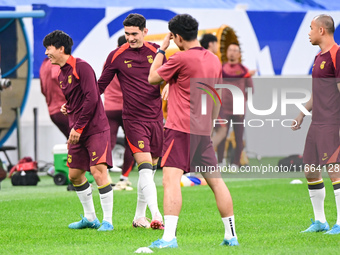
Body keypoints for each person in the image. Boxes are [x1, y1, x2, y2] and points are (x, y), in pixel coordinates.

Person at [147, 14, 239, 248]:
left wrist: (160, 50)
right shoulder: (214, 60)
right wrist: (209, 125)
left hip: (179, 129)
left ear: (177, 37)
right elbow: (216, 97)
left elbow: (152, 78)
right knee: (217, 182)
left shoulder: (179, 58)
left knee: (170, 181)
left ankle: (168, 238)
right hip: (202, 130)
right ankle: (231, 236)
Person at [98, 13, 164, 229]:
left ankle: (138, 217)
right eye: (127, 34)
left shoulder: (157, 52)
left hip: (156, 120)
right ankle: (156, 215)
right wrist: (75, 104)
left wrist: (170, 85)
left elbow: (173, 76)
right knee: (145, 169)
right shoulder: (116, 56)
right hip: (134, 120)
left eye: (134, 34)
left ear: (145, 31)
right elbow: (98, 87)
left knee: (150, 172)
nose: (130, 38)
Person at [43, 30, 114, 231]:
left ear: (60, 48)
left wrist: (79, 126)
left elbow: (92, 98)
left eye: (48, 48)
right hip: (77, 129)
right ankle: (91, 218)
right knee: (74, 175)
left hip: (95, 129)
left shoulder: (81, 67)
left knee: (98, 172)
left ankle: (108, 221)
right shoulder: (61, 73)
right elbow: (79, 98)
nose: (46, 53)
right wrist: (69, 106)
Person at [292, 14, 340, 234]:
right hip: (316, 124)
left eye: (311, 28)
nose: (308, 33)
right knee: (310, 170)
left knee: (335, 171)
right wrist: (302, 114)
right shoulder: (318, 57)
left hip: (332, 124)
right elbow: (317, 93)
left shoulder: (337, 54)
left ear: (322, 30)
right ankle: (320, 222)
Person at [211, 43, 254, 169]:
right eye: (230, 50)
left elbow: (251, 89)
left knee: (238, 136)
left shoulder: (244, 71)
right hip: (223, 108)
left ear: (239, 54)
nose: (232, 53)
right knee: (221, 134)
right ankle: (220, 162)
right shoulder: (221, 69)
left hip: (239, 109)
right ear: (227, 52)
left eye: (235, 50)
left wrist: (243, 103)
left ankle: (235, 163)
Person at [103, 35, 135, 190]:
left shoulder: (109, 59)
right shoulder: (133, 61)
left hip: (109, 107)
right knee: (132, 143)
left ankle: (104, 176)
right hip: (128, 108)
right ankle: (124, 177)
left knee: (108, 141)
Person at [39, 58, 69, 139]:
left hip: (53, 112)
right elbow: (57, 77)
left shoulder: (44, 64)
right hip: (65, 110)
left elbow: (43, 90)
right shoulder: (59, 61)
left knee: (74, 142)